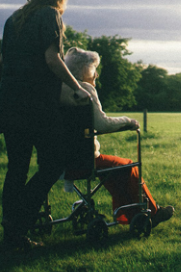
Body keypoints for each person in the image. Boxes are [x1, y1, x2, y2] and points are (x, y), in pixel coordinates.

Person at [0, 0, 90, 249]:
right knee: (53, 163)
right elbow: (52, 59)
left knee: (17, 169)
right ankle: (19, 221)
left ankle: (11, 232)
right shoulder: (50, 15)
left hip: (8, 103)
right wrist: (77, 87)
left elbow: (4, 59)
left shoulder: (13, 19)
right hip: (35, 107)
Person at [60, 47, 174, 227]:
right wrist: (128, 121)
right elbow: (102, 124)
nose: (96, 74)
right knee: (127, 166)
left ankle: (128, 215)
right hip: (84, 160)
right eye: (93, 69)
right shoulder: (85, 89)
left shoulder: (59, 89)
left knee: (115, 168)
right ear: (83, 70)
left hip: (60, 160)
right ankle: (151, 212)